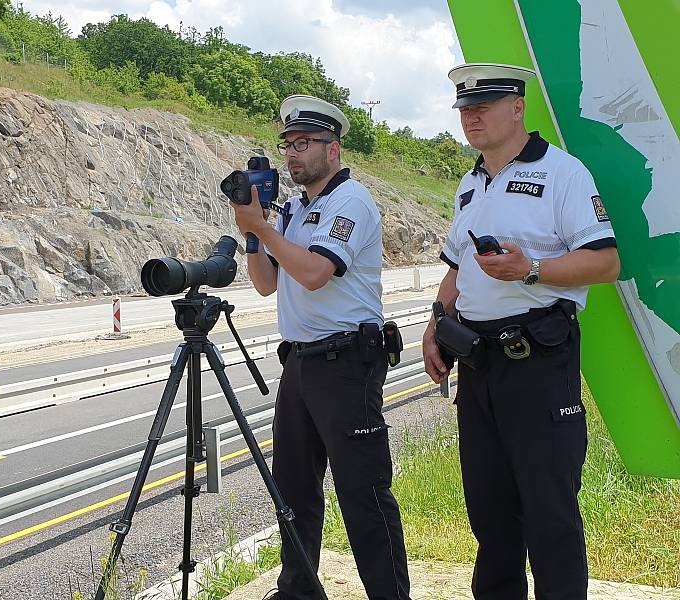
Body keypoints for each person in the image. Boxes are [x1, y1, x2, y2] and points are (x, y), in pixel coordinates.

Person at [423, 64, 621, 600]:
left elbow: (605, 263)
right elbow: (456, 265)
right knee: (489, 516)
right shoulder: (470, 184)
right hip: (478, 366)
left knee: (549, 515)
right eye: (465, 109)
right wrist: (435, 324)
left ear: (517, 108)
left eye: (482, 107)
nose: (471, 117)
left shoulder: (563, 173)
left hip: (537, 363)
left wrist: (531, 269)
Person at [231, 95, 410, 600]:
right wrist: (253, 232)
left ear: (333, 150)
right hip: (301, 362)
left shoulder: (350, 202)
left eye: (303, 143)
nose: (292, 154)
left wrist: (263, 226)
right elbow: (266, 283)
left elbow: (314, 273)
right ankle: (299, 593)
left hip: (348, 362)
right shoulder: (293, 209)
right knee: (294, 493)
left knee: (363, 493)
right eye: (287, 143)